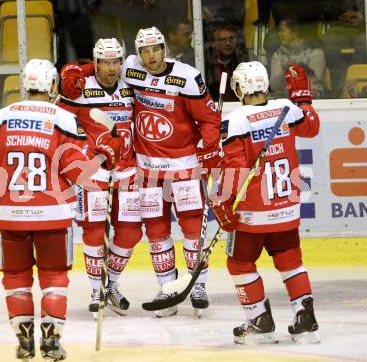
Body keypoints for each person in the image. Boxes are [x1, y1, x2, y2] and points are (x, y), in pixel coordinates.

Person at [60, 27, 222, 317]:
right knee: (152, 231)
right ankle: (152, 289)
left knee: (183, 229)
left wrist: (210, 148)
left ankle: (198, 286)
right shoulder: (107, 78)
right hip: (137, 170)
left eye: (156, 49)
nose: (151, 56)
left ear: (164, 49)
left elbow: (209, 119)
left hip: (170, 167)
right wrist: (74, 70)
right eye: (145, 50)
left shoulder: (180, 76)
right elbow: (61, 125)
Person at [0, 59, 120, 361]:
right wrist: (105, 154)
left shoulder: (0, 117)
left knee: (15, 276)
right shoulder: (63, 118)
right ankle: (51, 342)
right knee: (54, 276)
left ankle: (24, 342)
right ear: (52, 86)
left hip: (10, 215)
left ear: (25, 85)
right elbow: (79, 172)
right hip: (53, 215)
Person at [211, 61, 320, 344]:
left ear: (240, 87)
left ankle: (259, 321)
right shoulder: (287, 107)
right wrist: (304, 99)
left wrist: (222, 201)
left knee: (240, 264)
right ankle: (305, 318)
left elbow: (234, 168)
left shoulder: (237, 119)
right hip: (286, 207)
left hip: (253, 213)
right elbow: (311, 127)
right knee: (290, 260)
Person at [58, 38, 141, 318]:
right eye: (105, 61)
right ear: (95, 62)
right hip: (94, 171)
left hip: (127, 169)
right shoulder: (81, 89)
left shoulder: (130, 84)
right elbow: (59, 125)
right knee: (94, 231)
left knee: (131, 231)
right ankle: (97, 290)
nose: (111, 67)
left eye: (116, 60)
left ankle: (111, 284)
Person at [269, 17, 326, 97]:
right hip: (284, 97)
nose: (279, 34)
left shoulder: (315, 53)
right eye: (279, 31)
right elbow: (273, 85)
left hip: (312, 98)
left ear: (294, 33)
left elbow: (313, 82)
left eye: (282, 30)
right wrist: (285, 71)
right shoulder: (278, 54)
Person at [205, 22, 248, 101]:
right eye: (223, 40)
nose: (228, 43)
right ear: (213, 43)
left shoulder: (243, 62)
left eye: (231, 39)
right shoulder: (205, 64)